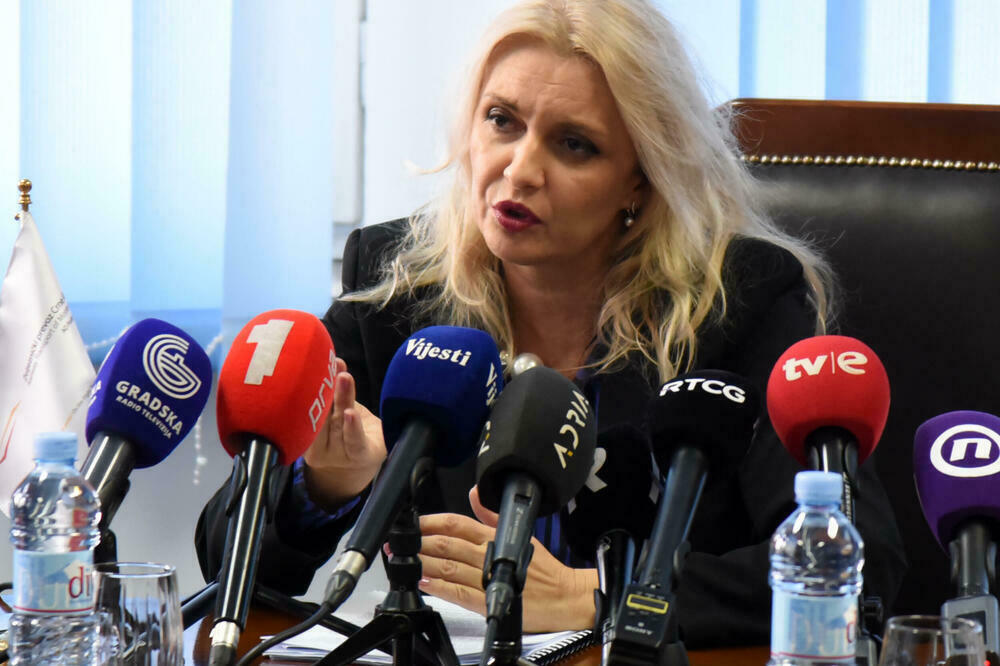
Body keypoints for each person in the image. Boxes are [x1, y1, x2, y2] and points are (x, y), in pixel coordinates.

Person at [196, 0, 906, 647]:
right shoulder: (395, 290)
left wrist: (597, 595)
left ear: (640, 180)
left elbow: (859, 561)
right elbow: (226, 561)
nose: (520, 170)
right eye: (501, 120)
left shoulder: (739, 303)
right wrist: (322, 484)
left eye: (574, 145)